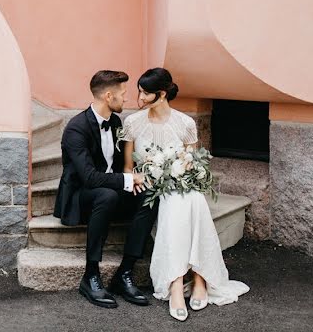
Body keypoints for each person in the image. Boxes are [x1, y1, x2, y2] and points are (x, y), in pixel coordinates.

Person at [120, 67, 249, 321]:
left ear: (162, 94)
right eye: (139, 91)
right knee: (178, 202)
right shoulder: (133, 123)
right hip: (151, 186)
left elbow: (195, 163)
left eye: (146, 93)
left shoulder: (186, 123)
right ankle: (178, 283)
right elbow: (127, 166)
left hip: (181, 184)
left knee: (190, 197)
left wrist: (181, 172)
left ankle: (199, 279)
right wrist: (137, 178)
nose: (140, 98)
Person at [53, 70, 157, 309]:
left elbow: (120, 165)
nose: (127, 99)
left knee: (149, 195)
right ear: (109, 96)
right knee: (107, 194)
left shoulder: (116, 122)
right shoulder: (76, 128)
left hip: (109, 192)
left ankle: (125, 271)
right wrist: (127, 181)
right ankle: (90, 276)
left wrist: (138, 177)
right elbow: (88, 178)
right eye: (123, 94)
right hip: (82, 196)